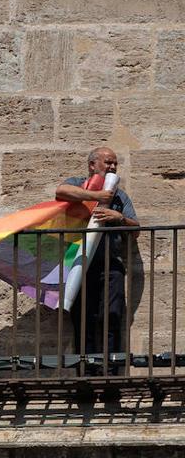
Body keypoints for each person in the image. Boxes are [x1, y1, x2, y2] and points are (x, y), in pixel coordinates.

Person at [54, 146, 139, 358]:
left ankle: (111, 374)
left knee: (112, 315)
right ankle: (87, 374)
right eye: (107, 162)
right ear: (93, 165)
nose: (112, 167)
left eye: (114, 164)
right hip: (80, 264)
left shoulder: (120, 197)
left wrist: (117, 216)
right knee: (83, 319)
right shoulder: (77, 184)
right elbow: (61, 192)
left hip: (111, 266)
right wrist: (96, 195)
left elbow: (135, 229)